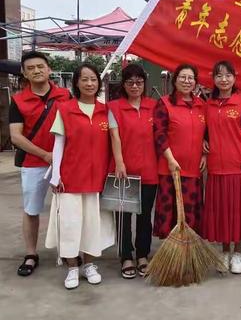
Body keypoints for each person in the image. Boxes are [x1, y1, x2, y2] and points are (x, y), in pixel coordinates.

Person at [45, 63, 115, 289]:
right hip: (71, 178)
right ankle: (72, 267)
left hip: (97, 179)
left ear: (99, 82)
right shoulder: (65, 109)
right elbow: (58, 145)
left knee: (93, 225)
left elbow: (115, 143)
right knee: (70, 225)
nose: (89, 83)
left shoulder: (106, 111)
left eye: (93, 79)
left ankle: (89, 265)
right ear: (76, 82)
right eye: (84, 79)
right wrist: (56, 176)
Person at [9, 50, 70, 277]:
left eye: (40, 66)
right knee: (32, 209)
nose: (36, 70)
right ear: (24, 73)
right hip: (33, 163)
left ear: (49, 69)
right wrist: (44, 154)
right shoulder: (17, 100)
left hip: (63, 163)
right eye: (31, 68)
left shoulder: (65, 95)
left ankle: (69, 251)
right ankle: (31, 254)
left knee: (66, 208)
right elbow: (16, 136)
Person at [201, 60, 241, 274]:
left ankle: (237, 253)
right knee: (221, 211)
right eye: (219, 76)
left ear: (234, 77)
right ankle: (224, 251)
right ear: (213, 79)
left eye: (227, 75)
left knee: (238, 211)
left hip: (239, 165)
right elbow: (201, 130)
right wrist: (201, 143)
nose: (223, 80)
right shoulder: (209, 104)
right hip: (216, 167)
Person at [108, 63, 157, 279]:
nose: (135, 86)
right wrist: (119, 162)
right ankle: (126, 256)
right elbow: (114, 136)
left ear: (144, 83)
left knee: (145, 216)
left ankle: (143, 255)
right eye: (130, 82)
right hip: (124, 173)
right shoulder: (114, 107)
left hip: (149, 171)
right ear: (124, 84)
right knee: (123, 217)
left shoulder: (154, 106)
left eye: (139, 82)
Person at [153, 64, 206, 240]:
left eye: (190, 78)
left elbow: (207, 133)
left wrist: (205, 153)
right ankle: (171, 254)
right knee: (172, 213)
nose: (186, 81)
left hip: (193, 169)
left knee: (190, 213)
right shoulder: (165, 103)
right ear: (175, 80)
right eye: (182, 77)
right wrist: (169, 159)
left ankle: (187, 254)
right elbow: (159, 134)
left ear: (196, 83)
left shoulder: (201, 105)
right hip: (170, 169)